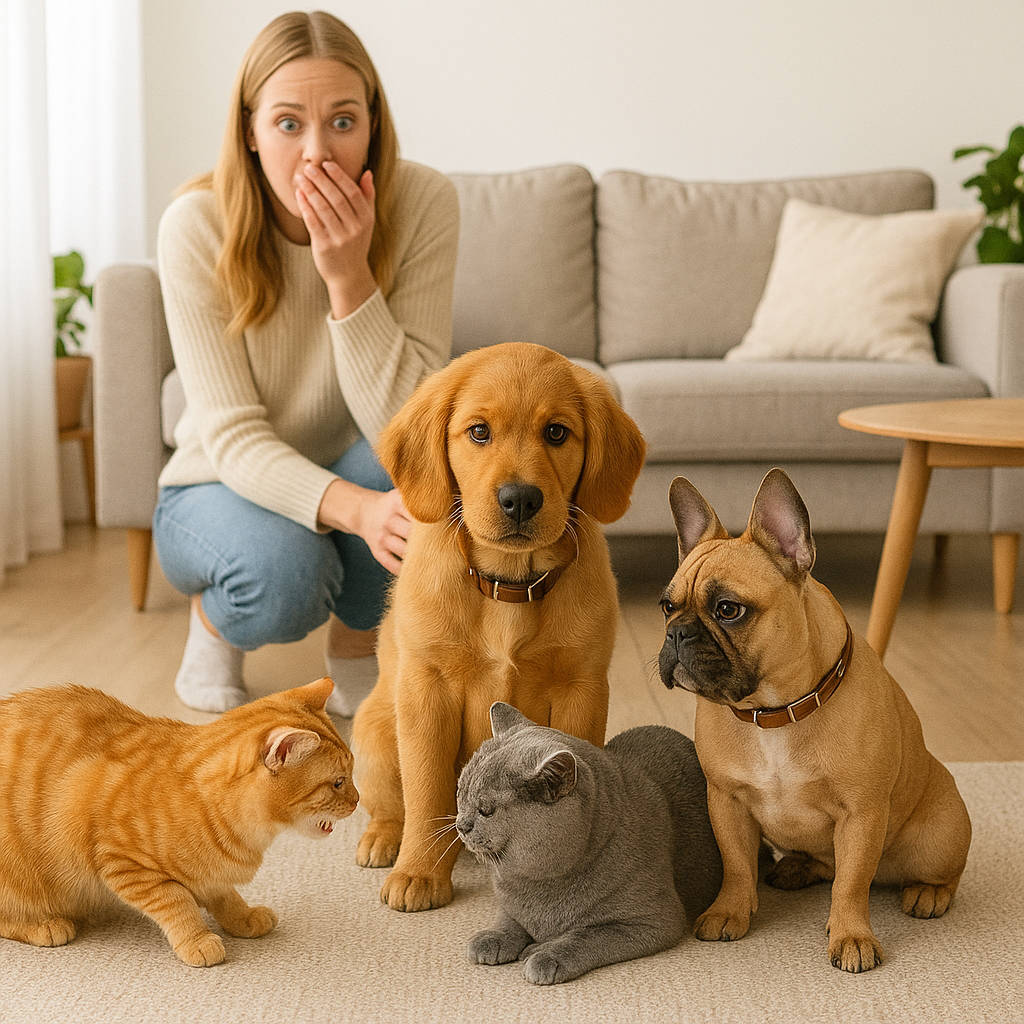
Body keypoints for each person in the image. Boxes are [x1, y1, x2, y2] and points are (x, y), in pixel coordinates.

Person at [152, 11, 459, 716]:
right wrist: (357, 511)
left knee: (423, 475)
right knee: (285, 576)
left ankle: (355, 645)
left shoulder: (425, 204)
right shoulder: (196, 226)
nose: (318, 153)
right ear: (250, 133)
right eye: (289, 124)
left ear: (374, 125)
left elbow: (412, 425)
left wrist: (348, 278)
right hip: (216, 484)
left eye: (343, 122)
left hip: (359, 460)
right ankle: (212, 627)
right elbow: (231, 438)